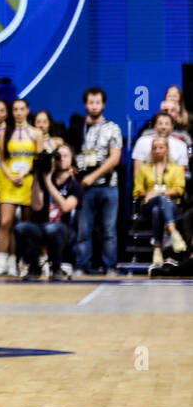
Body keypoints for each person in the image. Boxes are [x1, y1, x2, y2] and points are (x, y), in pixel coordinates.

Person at [73, 87, 123, 276]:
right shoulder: (77, 127)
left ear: (103, 104)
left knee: (108, 230)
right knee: (83, 230)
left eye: (98, 102)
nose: (94, 106)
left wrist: (94, 176)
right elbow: (70, 152)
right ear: (86, 104)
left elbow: (115, 158)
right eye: (91, 102)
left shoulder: (113, 128)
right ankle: (81, 266)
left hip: (108, 186)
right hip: (84, 188)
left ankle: (110, 267)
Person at [15, 142, 82, 280]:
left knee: (53, 229)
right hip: (42, 226)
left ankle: (56, 268)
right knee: (21, 227)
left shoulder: (75, 185)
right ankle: (34, 268)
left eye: (66, 156)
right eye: (58, 156)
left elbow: (65, 207)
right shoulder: (44, 179)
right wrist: (37, 176)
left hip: (64, 230)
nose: (62, 159)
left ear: (71, 160)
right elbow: (36, 206)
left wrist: (48, 182)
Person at [0, 98, 42, 276]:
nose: (19, 112)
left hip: (27, 181)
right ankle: (1, 259)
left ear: (27, 111)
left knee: (24, 226)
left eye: (22, 109)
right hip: (10, 181)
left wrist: (24, 174)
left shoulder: (36, 133)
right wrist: (11, 176)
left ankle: (18, 261)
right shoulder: (4, 132)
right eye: (15, 109)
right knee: (5, 222)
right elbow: (1, 161)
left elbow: (38, 160)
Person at [134, 135, 187, 270]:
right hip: (148, 204)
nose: (157, 150)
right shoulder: (145, 168)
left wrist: (158, 193)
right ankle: (173, 231)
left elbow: (179, 189)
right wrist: (149, 194)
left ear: (167, 149)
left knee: (158, 208)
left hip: (171, 205)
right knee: (156, 203)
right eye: (155, 148)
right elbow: (137, 191)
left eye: (161, 147)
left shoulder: (176, 168)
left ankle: (157, 247)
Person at [133, 111, 190, 176]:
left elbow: (180, 174)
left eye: (167, 124)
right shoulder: (142, 142)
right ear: (155, 126)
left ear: (172, 126)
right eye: (160, 123)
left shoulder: (181, 145)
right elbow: (137, 172)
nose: (163, 127)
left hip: (172, 183)